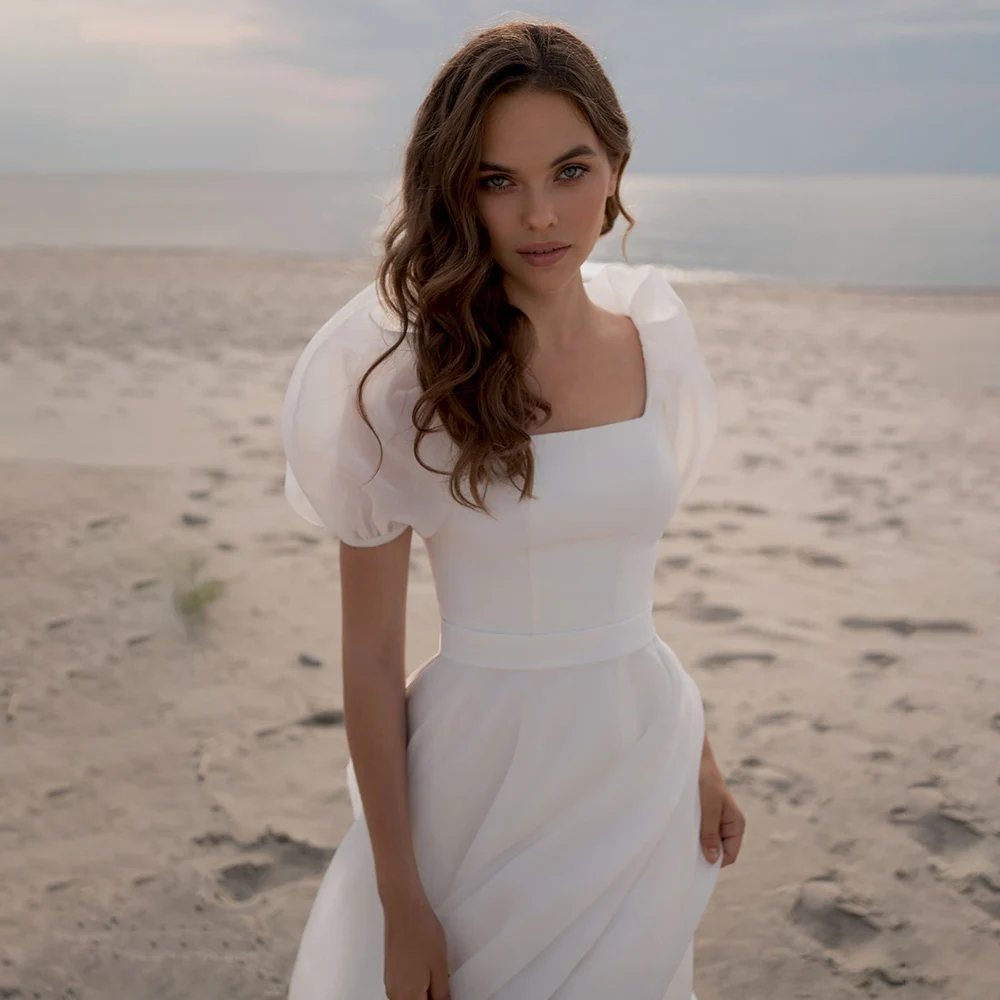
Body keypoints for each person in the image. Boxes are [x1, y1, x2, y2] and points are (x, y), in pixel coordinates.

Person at [281, 18, 746, 1000]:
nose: (540, 214)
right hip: (482, 783)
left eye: (569, 171)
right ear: (456, 191)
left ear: (615, 168)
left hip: (641, 765)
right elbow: (368, 658)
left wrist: (695, 755)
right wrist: (402, 904)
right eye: (498, 181)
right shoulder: (405, 383)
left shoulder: (655, 340)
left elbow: (627, 593)